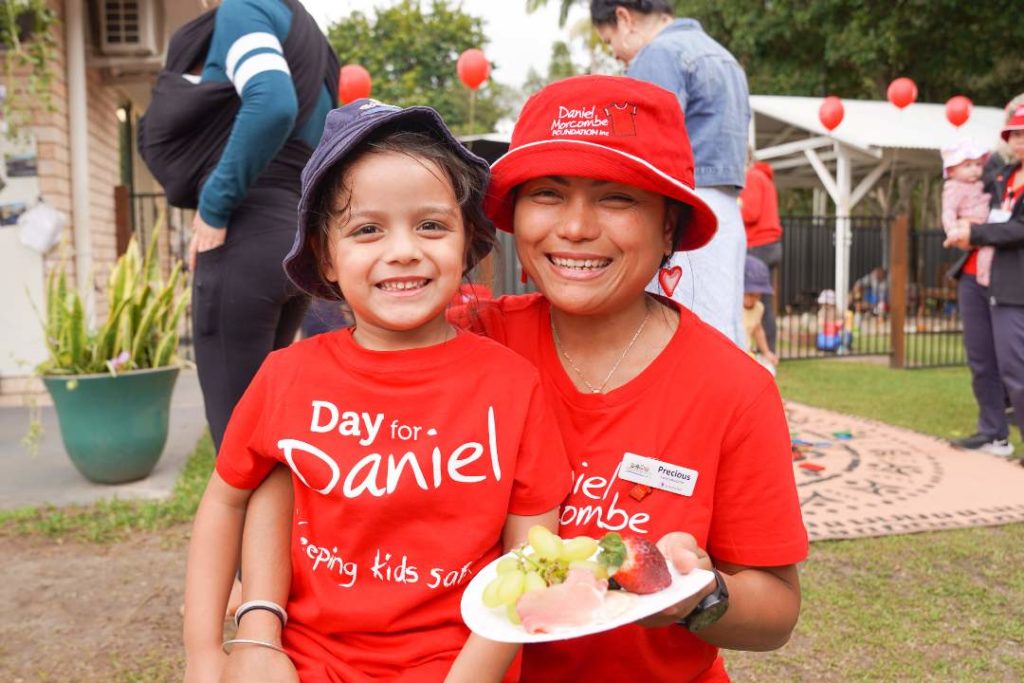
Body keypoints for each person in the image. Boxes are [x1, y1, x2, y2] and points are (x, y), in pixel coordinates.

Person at [182, 100, 571, 682]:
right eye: (367, 229)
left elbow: (531, 558)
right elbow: (224, 500)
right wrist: (206, 654)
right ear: (325, 256)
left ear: (467, 243)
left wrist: (473, 675)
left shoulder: (511, 384)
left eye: (431, 225)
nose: (403, 250)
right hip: (304, 661)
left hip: (457, 662)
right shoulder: (287, 375)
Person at [140, 0, 338, 453]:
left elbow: (271, 101)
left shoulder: (243, 10)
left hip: (242, 243)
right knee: (270, 436)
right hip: (293, 246)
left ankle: (241, 527)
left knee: (235, 445)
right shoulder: (311, 39)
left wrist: (214, 205)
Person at [591, 0, 751, 347]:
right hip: (726, 209)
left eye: (609, 41)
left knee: (682, 330)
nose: (616, 54)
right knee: (724, 327)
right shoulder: (724, 58)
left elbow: (642, 145)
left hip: (688, 208)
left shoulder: (658, 55)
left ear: (624, 18)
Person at [944, 104, 1024, 459]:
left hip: (1011, 282)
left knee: (1014, 367)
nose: (1020, 142)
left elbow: (1018, 230)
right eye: (1015, 135)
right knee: (981, 362)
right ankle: (994, 434)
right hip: (974, 277)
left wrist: (975, 232)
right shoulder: (1001, 174)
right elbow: (970, 162)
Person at [740, 156, 783, 352]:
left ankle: (758, 350)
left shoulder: (754, 177)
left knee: (752, 304)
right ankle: (769, 351)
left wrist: (735, 203)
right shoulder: (765, 179)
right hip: (771, 246)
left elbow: (750, 212)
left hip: (758, 246)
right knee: (764, 305)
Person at [941, 139, 993, 285]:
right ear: (951, 171)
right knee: (987, 249)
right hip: (970, 225)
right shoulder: (954, 188)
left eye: (978, 164)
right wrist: (952, 229)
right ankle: (984, 277)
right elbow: (948, 211)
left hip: (984, 224)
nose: (974, 169)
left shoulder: (980, 184)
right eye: (967, 165)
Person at [743, 256, 779, 374]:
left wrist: (766, 352)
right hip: (731, 352)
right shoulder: (732, 307)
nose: (751, 299)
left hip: (746, 353)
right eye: (748, 293)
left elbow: (758, 330)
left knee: (768, 371)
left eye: (756, 295)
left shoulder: (759, 308)